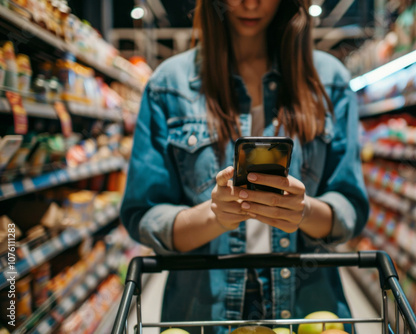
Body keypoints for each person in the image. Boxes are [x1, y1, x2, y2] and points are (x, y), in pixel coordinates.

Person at [120, 0, 369, 333]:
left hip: (306, 307)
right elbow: (144, 215)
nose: (251, 4)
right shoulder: (168, 84)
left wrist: (304, 211)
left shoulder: (329, 80)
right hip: (202, 311)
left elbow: (350, 205)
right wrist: (214, 215)